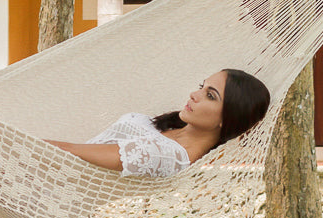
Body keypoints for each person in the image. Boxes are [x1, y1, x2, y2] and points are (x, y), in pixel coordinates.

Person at [47, 69, 269, 178]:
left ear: (228, 119)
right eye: (201, 86)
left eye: (210, 95)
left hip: (48, 185)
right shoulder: (170, 128)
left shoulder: (168, 156)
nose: (193, 94)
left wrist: (22, 143)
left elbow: (73, 152)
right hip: (48, 169)